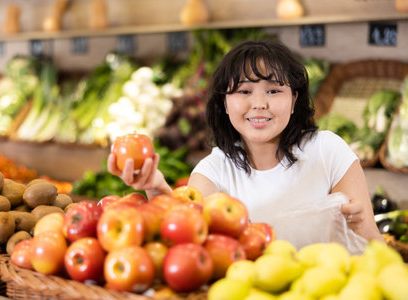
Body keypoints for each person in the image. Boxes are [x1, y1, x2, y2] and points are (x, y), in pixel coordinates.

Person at [107, 40, 384, 249]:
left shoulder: (328, 151)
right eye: (244, 91)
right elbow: (186, 239)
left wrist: (359, 226)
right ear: (225, 103)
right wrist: (157, 189)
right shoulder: (212, 171)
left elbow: (377, 251)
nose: (259, 104)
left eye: (274, 90)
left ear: (295, 99)